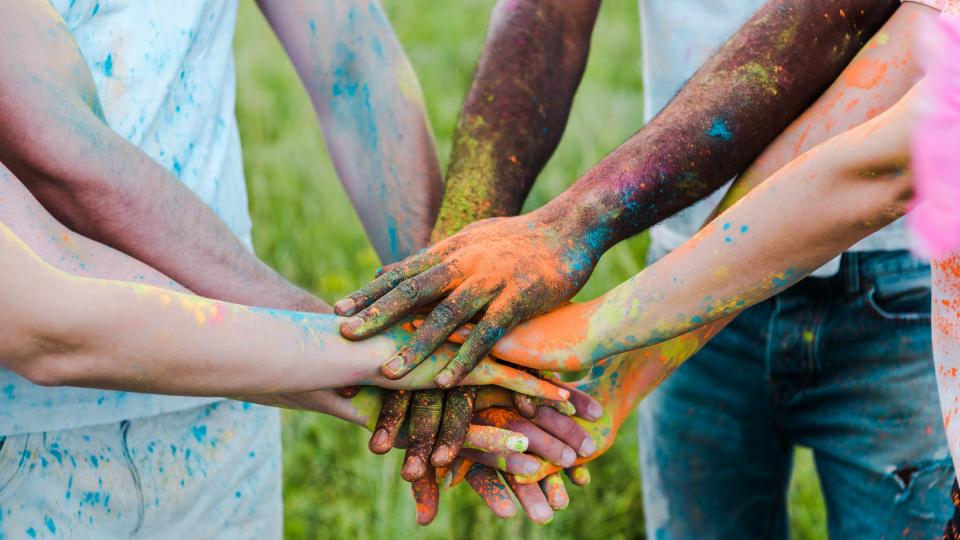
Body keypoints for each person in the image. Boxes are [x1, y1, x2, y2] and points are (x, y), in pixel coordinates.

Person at [338, 0, 955, 536]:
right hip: (685, 269)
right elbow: (548, 16)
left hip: (898, 282)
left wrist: (575, 252)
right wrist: (459, 287)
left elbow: (881, 152)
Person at [0, 0, 592, 534]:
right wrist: (368, 351)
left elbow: (350, 57)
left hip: (235, 395)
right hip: (28, 433)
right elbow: (57, 157)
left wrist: (446, 326)